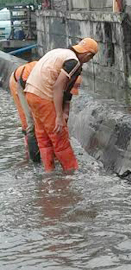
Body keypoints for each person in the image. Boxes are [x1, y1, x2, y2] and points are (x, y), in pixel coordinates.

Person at [25, 38, 98, 172]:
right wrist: (59, 116)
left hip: (30, 93)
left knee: (43, 137)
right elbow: (58, 87)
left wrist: (65, 110)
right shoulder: (74, 62)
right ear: (88, 55)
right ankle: (71, 173)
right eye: (90, 58)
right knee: (60, 138)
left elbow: (67, 90)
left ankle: (49, 172)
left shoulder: (61, 52)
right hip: (43, 96)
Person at [9, 61, 40, 162]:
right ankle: (32, 155)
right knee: (27, 119)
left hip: (29, 79)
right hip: (17, 82)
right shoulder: (35, 72)